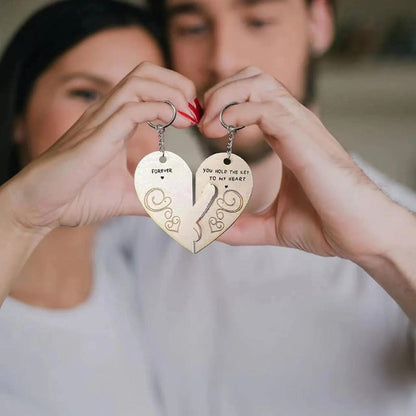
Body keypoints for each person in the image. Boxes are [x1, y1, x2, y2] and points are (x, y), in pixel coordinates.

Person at [0, 0, 416, 415]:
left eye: (258, 20)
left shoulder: (396, 240)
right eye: (192, 27)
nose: (223, 60)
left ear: (320, 22)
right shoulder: (136, 234)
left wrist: (385, 247)